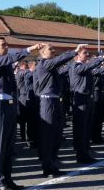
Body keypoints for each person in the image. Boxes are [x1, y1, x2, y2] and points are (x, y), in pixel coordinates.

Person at [0, 38, 42, 190]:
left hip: (9, 105)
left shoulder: (4, 63)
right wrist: (31, 48)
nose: (7, 47)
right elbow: (11, 58)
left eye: (7, 44)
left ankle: (7, 178)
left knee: (9, 145)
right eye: (3, 45)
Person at [34, 44, 82, 177]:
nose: (53, 51)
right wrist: (74, 51)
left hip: (55, 100)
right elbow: (59, 61)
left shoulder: (51, 66)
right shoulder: (44, 64)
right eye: (50, 49)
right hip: (47, 101)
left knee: (57, 134)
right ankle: (47, 167)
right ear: (43, 53)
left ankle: (53, 163)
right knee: (48, 135)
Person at [69, 47, 104, 164]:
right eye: (85, 53)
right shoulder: (76, 66)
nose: (87, 55)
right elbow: (88, 67)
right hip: (80, 99)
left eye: (88, 53)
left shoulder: (83, 67)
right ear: (77, 55)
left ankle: (85, 151)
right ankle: (80, 154)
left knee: (87, 127)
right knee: (81, 129)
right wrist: (103, 57)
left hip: (88, 99)